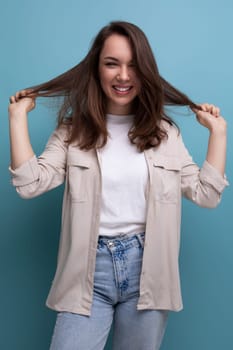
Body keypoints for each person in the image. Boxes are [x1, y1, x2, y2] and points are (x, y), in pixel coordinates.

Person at [8, 21, 228, 350]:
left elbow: (207, 195)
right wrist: (17, 118)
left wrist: (219, 134)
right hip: (86, 271)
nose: (123, 76)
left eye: (134, 66)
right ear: (96, 70)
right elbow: (30, 184)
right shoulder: (73, 133)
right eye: (112, 64)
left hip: (150, 271)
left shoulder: (165, 134)